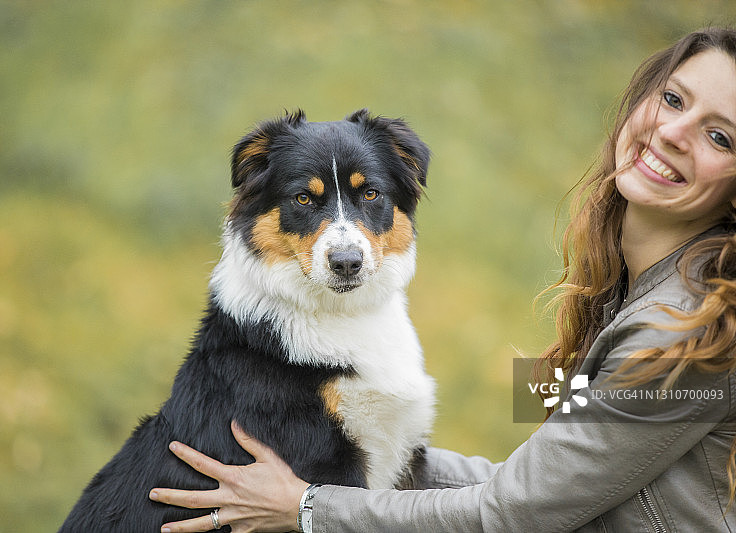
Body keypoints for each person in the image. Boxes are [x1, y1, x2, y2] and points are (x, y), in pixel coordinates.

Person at [148, 27, 736, 532]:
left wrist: (308, 506)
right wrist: (375, 451)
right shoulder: (627, 286)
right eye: (673, 98)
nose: (673, 132)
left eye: (720, 136)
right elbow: (540, 474)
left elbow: (517, 509)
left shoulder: (681, 334)